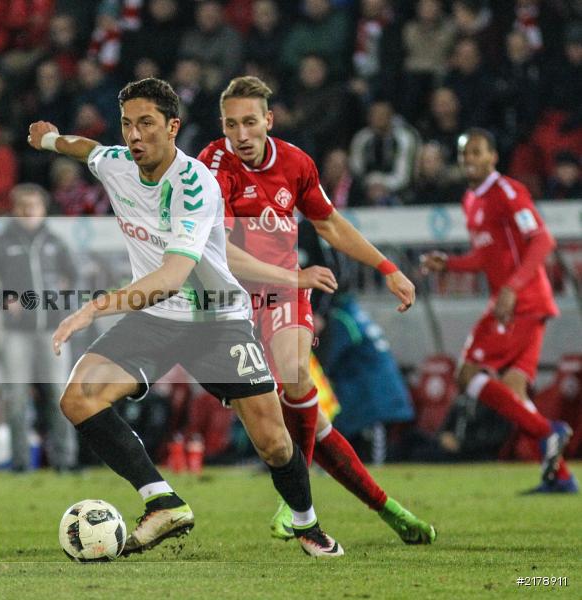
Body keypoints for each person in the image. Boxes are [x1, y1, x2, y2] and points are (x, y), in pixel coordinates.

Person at [27, 77, 343, 557]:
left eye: (147, 124)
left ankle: (307, 524)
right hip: (158, 319)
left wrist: (92, 309)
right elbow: (87, 148)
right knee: (79, 398)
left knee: (274, 443)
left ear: (173, 127)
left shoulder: (195, 183)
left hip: (217, 320)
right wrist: (50, 139)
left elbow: (173, 276)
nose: (134, 136)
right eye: (128, 125)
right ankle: (162, 502)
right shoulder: (118, 163)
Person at [198, 76, 435, 545]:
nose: (241, 135)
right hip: (229, 306)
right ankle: (389, 509)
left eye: (250, 122)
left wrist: (387, 267)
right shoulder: (212, 165)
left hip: (283, 295)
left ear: (268, 119)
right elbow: (219, 251)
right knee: (296, 431)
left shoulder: (295, 162)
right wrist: (296, 276)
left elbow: (329, 223)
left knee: (294, 374)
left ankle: (295, 504)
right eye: (231, 125)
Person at [421, 128, 576, 494]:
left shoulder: (507, 191)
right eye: (463, 154)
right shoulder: (471, 200)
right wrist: (452, 265)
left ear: (493, 156)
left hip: (520, 302)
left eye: (476, 152)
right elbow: (487, 258)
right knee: (513, 391)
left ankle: (548, 431)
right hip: (518, 301)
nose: (469, 160)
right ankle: (563, 478)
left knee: (466, 373)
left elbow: (542, 240)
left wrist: (511, 288)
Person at [0, 183, 79, 472]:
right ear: (14, 210)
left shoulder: (54, 242)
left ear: (43, 210)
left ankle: (65, 461)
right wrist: (4, 301)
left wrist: (65, 295)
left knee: (60, 396)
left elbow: (75, 275)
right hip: (17, 334)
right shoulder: (3, 243)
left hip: (53, 332)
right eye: (24, 206)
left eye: (34, 206)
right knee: (15, 399)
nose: (29, 211)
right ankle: (19, 463)